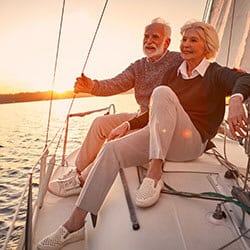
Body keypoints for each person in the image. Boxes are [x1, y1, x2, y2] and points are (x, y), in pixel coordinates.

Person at [38, 20, 250, 249]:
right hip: (163, 133)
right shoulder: (173, 73)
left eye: (194, 40)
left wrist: (237, 99)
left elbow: (245, 79)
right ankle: (74, 224)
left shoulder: (214, 72)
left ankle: (154, 172)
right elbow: (153, 110)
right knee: (111, 149)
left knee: (161, 92)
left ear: (207, 45)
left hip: (192, 142)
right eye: (185, 40)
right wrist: (128, 126)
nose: (186, 45)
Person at [48, 17, 183, 197]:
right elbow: (116, 84)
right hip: (141, 116)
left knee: (116, 140)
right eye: (146, 36)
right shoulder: (139, 66)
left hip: (160, 122)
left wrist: (233, 83)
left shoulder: (178, 60)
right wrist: (92, 87)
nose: (149, 41)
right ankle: (77, 172)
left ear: (166, 42)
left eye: (155, 37)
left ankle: (84, 181)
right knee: (100, 123)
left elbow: (203, 69)